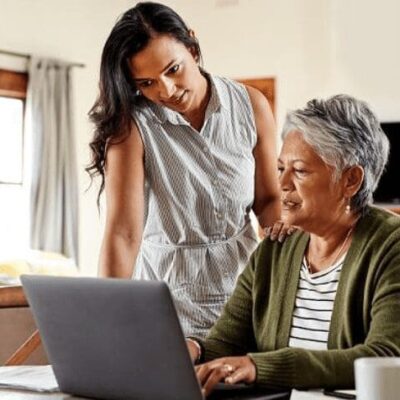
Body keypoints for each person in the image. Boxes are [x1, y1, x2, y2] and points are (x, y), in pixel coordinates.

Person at [87, 2, 283, 337]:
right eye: (146, 83)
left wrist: (288, 273)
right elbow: (123, 234)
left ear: (192, 47)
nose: (166, 91)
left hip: (245, 301)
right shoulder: (131, 128)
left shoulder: (251, 105)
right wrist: (109, 323)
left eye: (173, 69)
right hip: (167, 307)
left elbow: (268, 201)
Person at [187, 94, 400, 395]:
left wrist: (261, 366)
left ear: (350, 180)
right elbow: (225, 343)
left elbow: (385, 357)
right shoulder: (274, 249)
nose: (282, 183)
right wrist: (193, 349)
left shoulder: (391, 245)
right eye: (280, 168)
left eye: (299, 171)